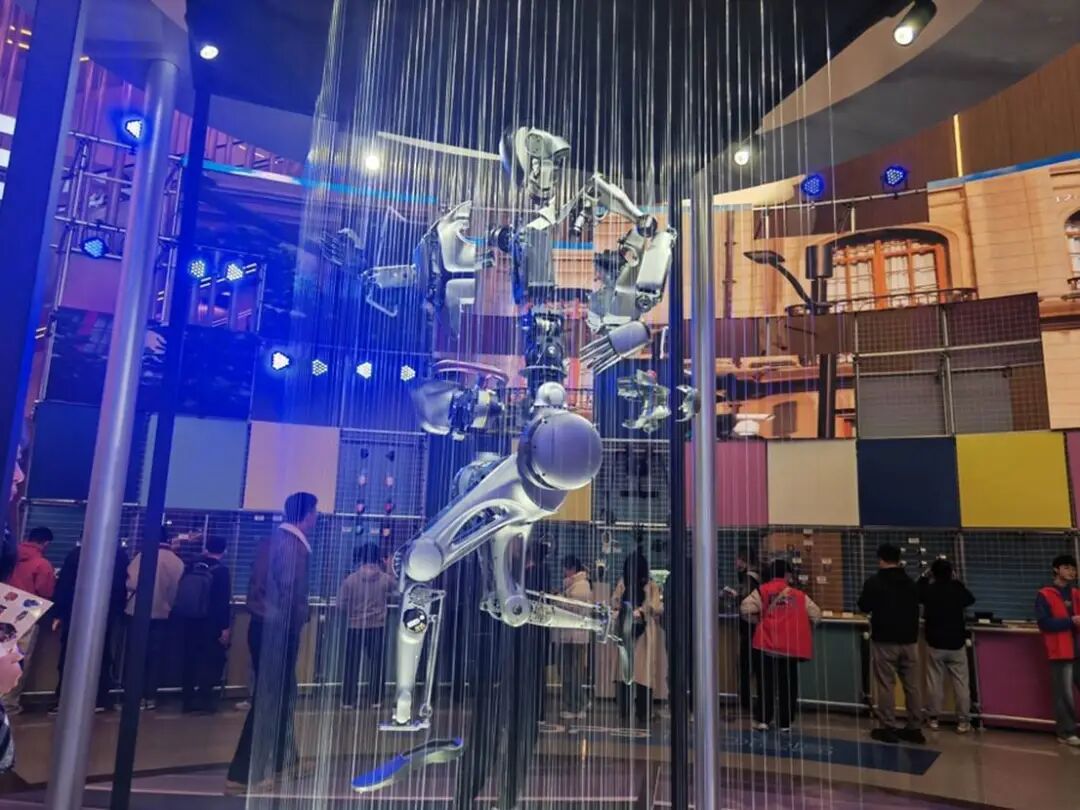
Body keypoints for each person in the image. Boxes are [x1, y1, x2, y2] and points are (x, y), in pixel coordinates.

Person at [226, 492, 317, 795]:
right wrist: (296, 620)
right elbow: (290, 591)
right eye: (315, 512)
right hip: (277, 630)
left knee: (281, 695)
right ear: (306, 515)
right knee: (269, 700)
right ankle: (242, 774)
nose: (316, 518)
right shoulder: (294, 548)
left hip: (263, 626)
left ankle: (284, 760)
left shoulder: (271, 541)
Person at [740, 559, 821, 731]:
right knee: (788, 685)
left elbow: (745, 609)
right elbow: (816, 614)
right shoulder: (799, 595)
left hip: (767, 645)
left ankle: (763, 719)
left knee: (766, 683)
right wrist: (800, 626)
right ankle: (785, 722)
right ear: (787, 575)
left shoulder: (762, 591)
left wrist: (759, 621)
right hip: (790, 647)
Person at [858, 543, 925, 744]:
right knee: (912, 686)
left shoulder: (874, 582)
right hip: (910, 641)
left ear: (881, 559)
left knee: (886, 684)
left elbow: (864, 606)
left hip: (884, 640)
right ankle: (915, 727)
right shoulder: (911, 583)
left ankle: (887, 726)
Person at [51, 540, 128, 713]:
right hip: (105, 613)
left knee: (69, 654)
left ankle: (65, 697)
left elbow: (64, 584)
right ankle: (99, 698)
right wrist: (117, 609)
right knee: (102, 655)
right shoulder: (119, 556)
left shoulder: (76, 554)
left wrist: (59, 612)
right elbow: (121, 586)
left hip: (75, 611)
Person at [125, 528, 185, 709]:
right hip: (163, 614)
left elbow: (131, 583)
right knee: (155, 657)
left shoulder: (142, 556)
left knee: (135, 655)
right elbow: (176, 592)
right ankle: (150, 696)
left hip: (137, 612)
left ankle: (133, 696)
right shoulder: (177, 562)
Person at [175, 535, 232, 714]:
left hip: (189, 620)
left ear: (207, 548)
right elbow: (222, 602)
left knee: (189, 660)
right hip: (211, 624)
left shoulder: (192, 566)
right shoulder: (222, 572)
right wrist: (224, 627)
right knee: (211, 661)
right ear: (224, 550)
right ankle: (205, 699)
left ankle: (187, 700)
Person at [2, 527, 56, 715]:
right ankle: (8, 704)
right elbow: (46, 590)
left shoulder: (9, 555)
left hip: (4, 608)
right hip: (27, 613)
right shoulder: (42, 564)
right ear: (46, 543)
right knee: (19, 658)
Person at [919, 558, 976, 734]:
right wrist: (957, 581)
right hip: (956, 642)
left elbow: (916, 592)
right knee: (961, 683)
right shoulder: (956, 588)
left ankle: (933, 718)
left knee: (934, 682)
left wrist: (924, 576)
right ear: (951, 573)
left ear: (933, 573)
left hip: (935, 643)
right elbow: (970, 599)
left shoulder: (930, 590)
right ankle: (963, 721)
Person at [338, 542, 395, 708]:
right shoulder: (385, 579)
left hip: (355, 627)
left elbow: (340, 604)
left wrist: (352, 611)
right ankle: (376, 699)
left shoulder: (350, 580)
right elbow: (399, 591)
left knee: (352, 665)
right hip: (377, 627)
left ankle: (348, 700)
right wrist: (389, 567)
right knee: (377, 665)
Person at [612, 548, 664, 724]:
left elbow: (615, 603)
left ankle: (628, 710)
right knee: (640, 673)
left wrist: (631, 612)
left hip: (630, 631)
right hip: (641, 632)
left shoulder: (625, 583)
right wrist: (640, 611)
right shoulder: (648, 585)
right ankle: (640, 712)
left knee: (629, 672)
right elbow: (657, 607)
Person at [1034, 554, 1080, 746]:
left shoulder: (1076, 593)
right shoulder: (1045, 594)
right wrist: (1070, 621)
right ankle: (1066, 732)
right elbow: (1044, 623)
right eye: (1067, 567)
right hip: (1060, 651)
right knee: (1064, 694)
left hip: (1078, 648)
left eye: (1073, 568)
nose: (1072, 572)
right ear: (1056, 569)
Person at [558, 555, 593, 720]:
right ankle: (575, 703)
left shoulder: (581, 586)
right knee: (569, 671)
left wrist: (559, 600)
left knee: (573, 672)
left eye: (565, 568)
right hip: (571, 634)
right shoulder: (574, 585)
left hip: (576, 635)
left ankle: (578, 704)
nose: (564, 572)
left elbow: (574, 607)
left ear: (572, 568)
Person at [732, 551, 762, 720]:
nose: (735, 563)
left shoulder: (748, 579)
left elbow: (745, 602)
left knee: (745, 665)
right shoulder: (758, 578)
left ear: (744, 560)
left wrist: (735, 597)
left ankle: (745, 701)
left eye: (738, 559)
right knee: (756, 666)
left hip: (749, 628)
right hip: (755, 628)